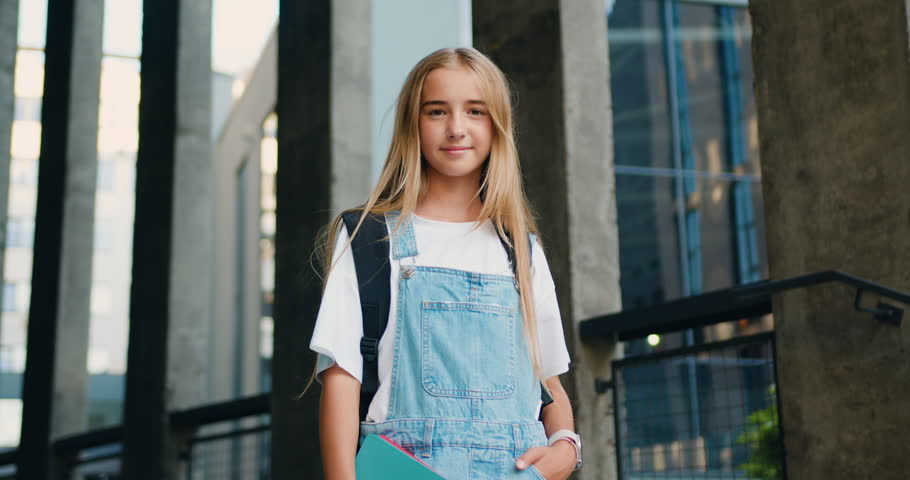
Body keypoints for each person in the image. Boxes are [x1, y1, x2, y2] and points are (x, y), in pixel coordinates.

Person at [307, 47, 581, 480]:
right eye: (437, 112)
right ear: (412, 125)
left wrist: (567, 447)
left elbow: (549, 384)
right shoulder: (371, 238)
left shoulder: (520, 249)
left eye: (475, 111)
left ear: (497, 127)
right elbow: (342, 378)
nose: (456, 129)